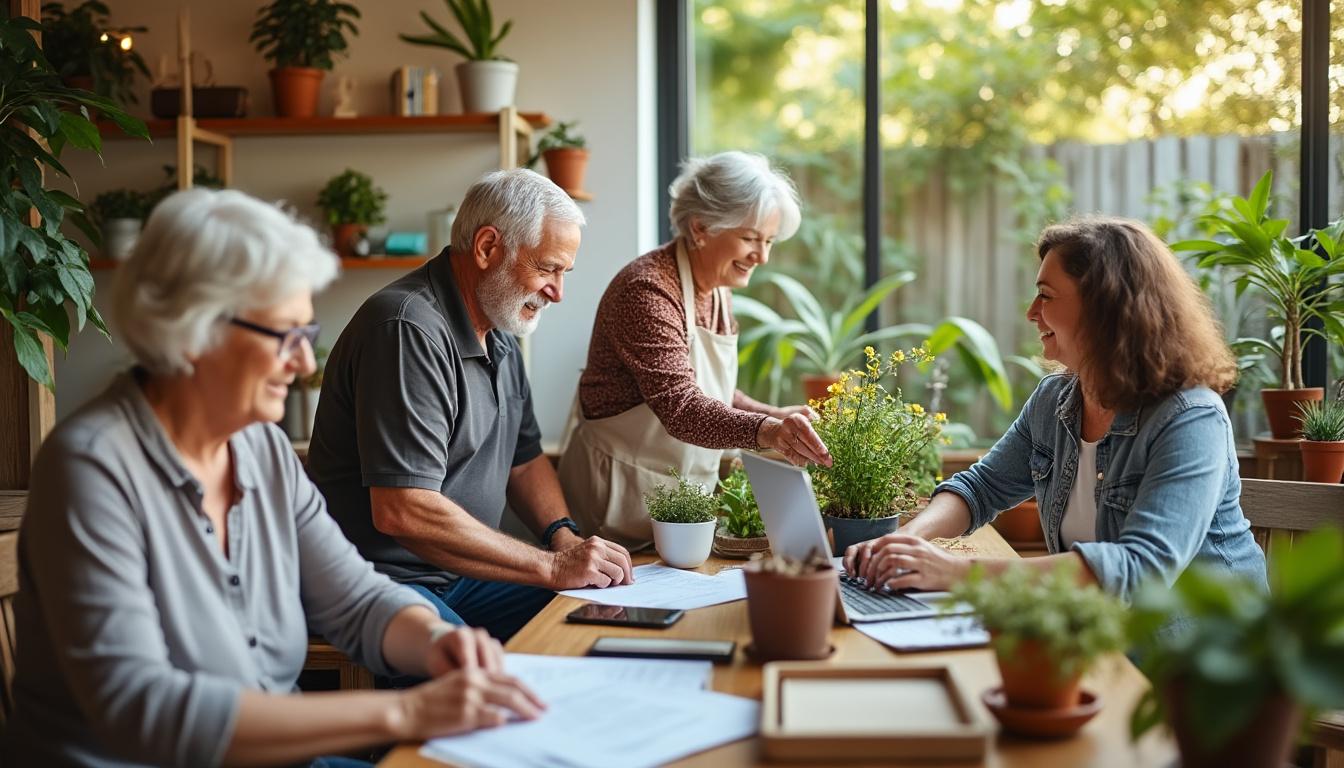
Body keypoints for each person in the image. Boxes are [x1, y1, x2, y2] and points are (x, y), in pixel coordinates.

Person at [0, 189, 543, 768]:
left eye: (306, 337)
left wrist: (437, 641)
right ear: (193, 333)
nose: (306, 364)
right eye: (286, 337)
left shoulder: (260, 449)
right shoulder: (91, 467)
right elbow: (142, 709)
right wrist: (406, 713)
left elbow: (355, 600)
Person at [844, 216, 1267, 600]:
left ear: (1106, 307)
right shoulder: (1054, 400)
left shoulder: (1191, 417)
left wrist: (955, 572)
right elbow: (980, 488)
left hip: (1198, 664)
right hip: (1093, 636)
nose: (1031, 313)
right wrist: (908, 541)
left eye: (1045, 296)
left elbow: (1141, 568)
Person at [308, 169, 633, 643]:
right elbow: (403, 510)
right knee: (479, 679)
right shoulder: (407, 329)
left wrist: (564, 536)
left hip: (459, 577)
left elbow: (524, 461)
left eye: (564, 273)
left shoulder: (500, 330)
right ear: (486, 248)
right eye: (547, 268)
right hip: (377, 580)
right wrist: (551, 566)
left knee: (603, 617)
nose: (558, 292)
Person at [558, 151, 832, 549]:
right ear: (701, 228)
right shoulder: (647, 291)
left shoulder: (718, 290)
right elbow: (682, 408)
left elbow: (712, 391)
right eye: (750, 238)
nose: (763, 256)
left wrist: (776, 416)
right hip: (616, 510)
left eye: (769, 241)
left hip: (679, 510)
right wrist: (768, 431)